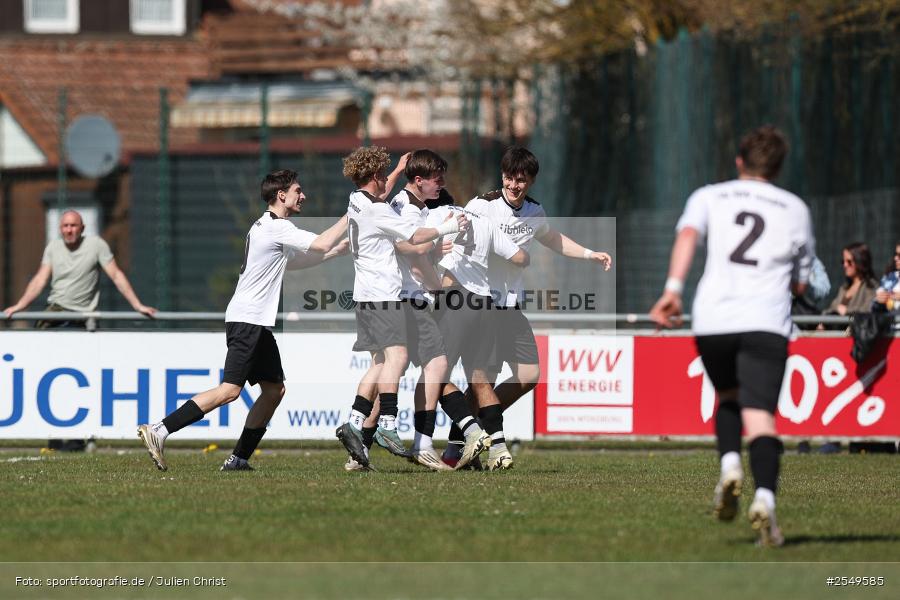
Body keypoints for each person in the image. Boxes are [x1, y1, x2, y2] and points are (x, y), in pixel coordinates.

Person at [649, 125, 815, 547]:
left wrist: (672, 290)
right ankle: (764, 501)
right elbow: (802, 282)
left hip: (714, 320)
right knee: (760, 416)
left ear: (739, 161)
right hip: (765, 321)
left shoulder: (709, 196)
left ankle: (729, 468)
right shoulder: (794, 208)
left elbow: (687, 236)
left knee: (727, 397)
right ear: (777, 167)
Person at [137, 169, 348, 471]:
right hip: (248, 321)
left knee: (275, 390)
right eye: (298, 191)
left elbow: (295, 261)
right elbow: (321, 242)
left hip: (254, 322)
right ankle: (159, 430)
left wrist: (334, 252)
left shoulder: (269, 226)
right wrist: (353, 212)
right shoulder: (276, 227)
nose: (303, 196)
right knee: (229, 391)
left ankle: (239, 459)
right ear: (281, 195)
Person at [441, 145, 613, 467]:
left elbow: (554, 239)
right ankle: (463, 447)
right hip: (483, 303)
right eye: (508, 178)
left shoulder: (535, 211)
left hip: (511, 306)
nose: (513, 185)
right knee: (484, 380)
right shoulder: (482, 206)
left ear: (531, 181)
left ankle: (471, 433)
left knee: (530, 375)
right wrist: (448, 286)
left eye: (520, 180)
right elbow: (460, 245)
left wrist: (591, 254)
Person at [334, 146, 479, 471]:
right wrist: (445, 232)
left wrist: (397, 169)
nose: (388, 180)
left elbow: (384, 198)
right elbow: (409, 241)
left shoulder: (358, 200)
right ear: (375, 177)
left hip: (371, 296)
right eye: (383, 174)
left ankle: (358, 433)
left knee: (385, 365)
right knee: (405, 361)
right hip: (392, 297)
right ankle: (394, 429)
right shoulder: (389, 208)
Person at [3, 210, 156, 327]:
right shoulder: (53, 247)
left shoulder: (96, 245)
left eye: (73, 226)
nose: (69, 230)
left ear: (82, 228)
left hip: (85, 312)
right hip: (57, 308)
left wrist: (137, 305)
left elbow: (116, 275)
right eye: (65, 226)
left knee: (93, 345)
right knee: (39, 334)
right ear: (60, 229)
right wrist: (21, 305)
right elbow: (39, 279)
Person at [822, 242, 878, 318]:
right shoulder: (844, 288)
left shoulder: (871, 286)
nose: (845, 265)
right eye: (843, 261)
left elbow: (868, 309)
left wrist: (847, 311)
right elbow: (832, 308)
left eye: (849, 262)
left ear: (860, 261)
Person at [872, 241, 900, 314]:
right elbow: (873, 306)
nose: (895, 258)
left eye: (899, 255)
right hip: (888, 324)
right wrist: (879, 301)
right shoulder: (890, 277)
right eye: (895, 254)